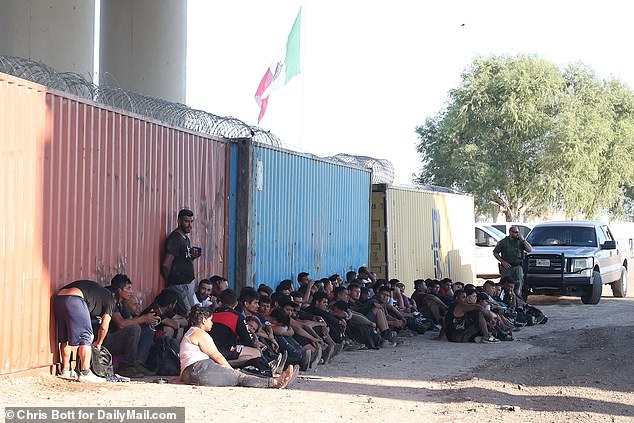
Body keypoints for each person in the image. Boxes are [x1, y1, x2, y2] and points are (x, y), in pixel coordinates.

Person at [180, 306, 299, 388]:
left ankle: (276, 378)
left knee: (239, 373)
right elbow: (216, 355)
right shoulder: (200, 334)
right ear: (204, 320)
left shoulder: (191, 332)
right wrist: (229, 370)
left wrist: (181, 377)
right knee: (239, 377)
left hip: (191, 372)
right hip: (200, 370)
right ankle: (276, 382)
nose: (212, 323)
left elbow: (186, 361)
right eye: (210, 320)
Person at [54, 280, 116, 382]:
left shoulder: (96, 292)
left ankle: (65, 369)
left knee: (65, 336)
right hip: (75, 298)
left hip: (59, 298)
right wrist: (99, 343)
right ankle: (85, 372)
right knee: (86, 336)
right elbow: (104, 326)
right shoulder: (110, 299)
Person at [104, 274, 159, 378]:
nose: (131, 292)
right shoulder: (112, 301)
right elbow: (121, 324)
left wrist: (147, 318)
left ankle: (138, 364)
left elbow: (130, 320)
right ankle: (127, 367)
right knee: (134, 329)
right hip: (108, 341)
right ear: (119, 290)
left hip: (118, 339)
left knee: (147, 329)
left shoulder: (121, 304)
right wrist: (143, 318)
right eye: (128, 288)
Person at [161, 209, 201, 315]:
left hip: (188, 284)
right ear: (179, 221)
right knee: (189, 313)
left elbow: (182, 260)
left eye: (191, 221)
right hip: (180, 285)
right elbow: (166, 264)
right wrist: (170, 281)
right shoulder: (175, 239)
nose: (189, 225)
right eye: (186, 221)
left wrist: (192, 257)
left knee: (193, 312)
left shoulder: (185, 239)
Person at [493, 225, 533, 294]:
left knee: (518, 285)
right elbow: (495, 253)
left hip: (517, 267)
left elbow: (529, 250)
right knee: (505, 285)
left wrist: (523, 240)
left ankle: (517, 300)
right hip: (507, 268)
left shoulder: (520, 242)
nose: (517, 234)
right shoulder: (504, 242)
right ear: (510, 232)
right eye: (515, 232)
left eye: (518, 232)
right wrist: (502, 261)